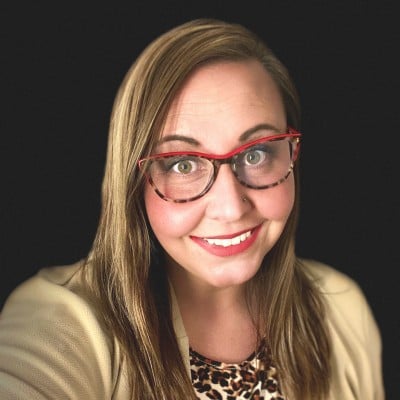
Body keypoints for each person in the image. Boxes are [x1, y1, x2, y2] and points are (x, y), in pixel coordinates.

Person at [0, 18, 384, 400]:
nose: (230, 208)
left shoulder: (340, 308)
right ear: (133, 181)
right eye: (183, 164)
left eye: (256, 153)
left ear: (291, 155)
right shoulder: (60, 320)